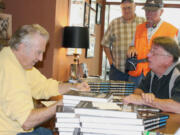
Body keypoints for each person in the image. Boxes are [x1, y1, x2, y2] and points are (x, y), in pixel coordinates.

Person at [0, 24, 90, 135]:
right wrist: (62, 104)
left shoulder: (17, 61)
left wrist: (73, 87)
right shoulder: (9, 71)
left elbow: (43, 86)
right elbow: (27, 121)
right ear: (22, 47)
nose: (41, 58)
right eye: (38, 52)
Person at [127, 0, 179, 88]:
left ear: (161, 12)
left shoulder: (171, 30)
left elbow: (175, 58)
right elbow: (133, 45)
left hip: (158, 74)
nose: (149, 13)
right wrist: (131, 48)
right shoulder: (139, 28)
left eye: (153, 11)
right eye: (147, 10)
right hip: (136, 73)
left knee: (153, 100)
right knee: (133, 99)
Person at [124, 36, 180, 113]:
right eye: (150, 51)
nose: (148, 55)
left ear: (168, 59)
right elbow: (138, 90)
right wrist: (144, 96)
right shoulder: (152, 72)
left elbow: (177, 107)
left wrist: (146, 101)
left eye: (153, 53)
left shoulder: (178, 74)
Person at [101, 0, 145, 81]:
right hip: (117, 71)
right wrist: (111, 62)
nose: (127, 11)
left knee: (137, 93)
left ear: (135, 7)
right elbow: (105, 44)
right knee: (116, 93)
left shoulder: (143, 22)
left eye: (129, 7)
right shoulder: (114, 23)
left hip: (138, 71)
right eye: (124, 8)